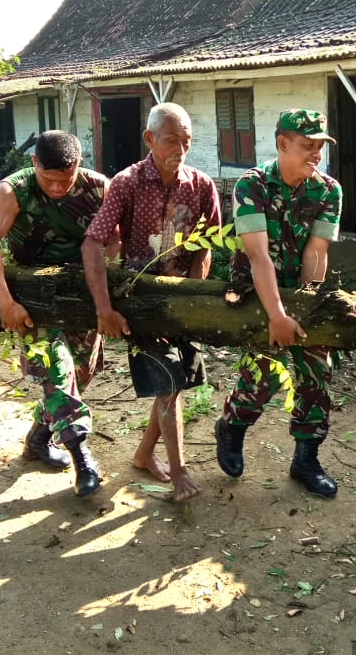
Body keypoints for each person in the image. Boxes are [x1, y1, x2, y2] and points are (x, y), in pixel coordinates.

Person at [83, 102, 220, 503]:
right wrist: (104, 308)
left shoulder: (200, 185)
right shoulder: (126, 183)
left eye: (187, 140)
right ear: (150, 139)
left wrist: (192, 296)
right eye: (172, 139)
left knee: (178, 383)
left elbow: (206, 246)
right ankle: (178, 470)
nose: (181, 147)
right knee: (170, 384)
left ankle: (143, 454)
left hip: (180, 299)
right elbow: (93, 240)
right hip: (139, 300)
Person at [0, 130, 115, 495]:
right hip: (33, 305)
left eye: (64, 180)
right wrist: (5, 301)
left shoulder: (99, 188)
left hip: (80, 302)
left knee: (78, 375)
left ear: (79, 165)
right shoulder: (13, 190)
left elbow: (116, 240)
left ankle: (38, 438)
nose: (56, 187)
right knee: (56, 371)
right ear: (34, 162)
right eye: (48, 179)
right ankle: (83, 457)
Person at [214, 109, 343, 499]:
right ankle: (232, 427)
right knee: (263, 377)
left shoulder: (328, 189)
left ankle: (306, 459)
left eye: (320, 147)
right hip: (255, 292)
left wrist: (303, 307)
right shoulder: (252, 185)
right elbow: (258, 258)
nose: (316, 155)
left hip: (300, 293)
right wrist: (277, 316)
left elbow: (317, 253)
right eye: (308, 146)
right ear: (283, 143)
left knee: (317, 373)